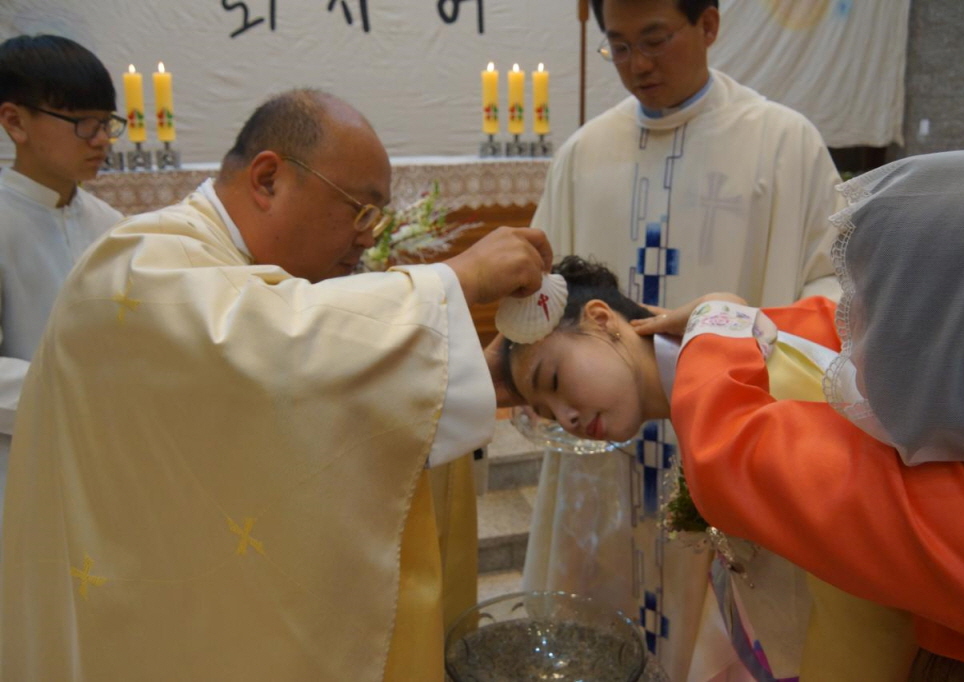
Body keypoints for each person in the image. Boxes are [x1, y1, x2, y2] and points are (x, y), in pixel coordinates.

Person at [0, 88, 552, 682]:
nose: (369, 237)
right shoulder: (135, 264)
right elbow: (264, 340)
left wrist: (477, 379)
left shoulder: (224, 270)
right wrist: (453, 280)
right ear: (268, 179)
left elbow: (277, 388)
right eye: (359, 209)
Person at [503, 149, 964, 678]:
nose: (565, 418)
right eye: (546, 412)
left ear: (601, 319)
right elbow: (829, 325)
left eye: (554, 382)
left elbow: (730, 460)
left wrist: (717, 315)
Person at [524, 0, 845, 677]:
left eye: (655, 39)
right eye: (618, 45)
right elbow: (538, 313)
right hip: (606, 472)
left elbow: (840, 300)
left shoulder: (784, 145)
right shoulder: (583, 156)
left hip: (734, 464)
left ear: (709, 25)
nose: (637, 65)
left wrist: (732, 332)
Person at [0, 34, 125, 532]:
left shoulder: (112, 225)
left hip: (103, 461)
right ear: (14, 121)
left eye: (105, 122)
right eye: (82, 122)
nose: (101, 139)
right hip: (17, 463)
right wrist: (78, 391)